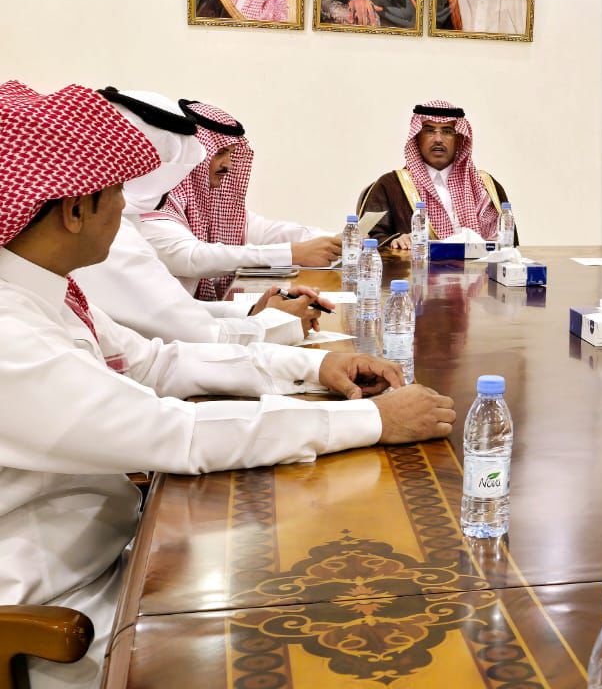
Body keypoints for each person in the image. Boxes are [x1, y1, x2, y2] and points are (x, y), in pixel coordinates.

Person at [0, 81, 455, 689]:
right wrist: (373, 421)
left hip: (121, 549)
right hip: (64, 614)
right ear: (74, 210)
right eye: (116, 194)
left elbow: (155, 363)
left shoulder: (43, 289)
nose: (127, 210)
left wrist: (311, 369)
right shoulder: (10, 332)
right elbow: (176, 434)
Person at [75, 88, 321, 345]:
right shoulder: (116, 226)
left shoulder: (130, 215)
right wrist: (280, 322)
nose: (227, 165)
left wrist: (254, 311)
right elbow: (195, 328)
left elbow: (175, 310)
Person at [139, 100, 340, 301]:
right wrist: (292, 253)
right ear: (193, 153)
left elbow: (268, 232)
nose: (228, 165)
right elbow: (192, 257)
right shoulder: (153, 199)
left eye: (231, 153)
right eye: (220, 153)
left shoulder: (208, 204)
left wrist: (337, 242)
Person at [358, 101, 514, 247]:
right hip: (415, 267)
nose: (438, 139)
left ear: (459, 139)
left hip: (478, 267)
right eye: (429, 131)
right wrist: (395, 241)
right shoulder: (390, 186)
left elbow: (509, 244)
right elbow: (365, 238)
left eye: (447, 131)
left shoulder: (485, 186)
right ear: (417, 137)